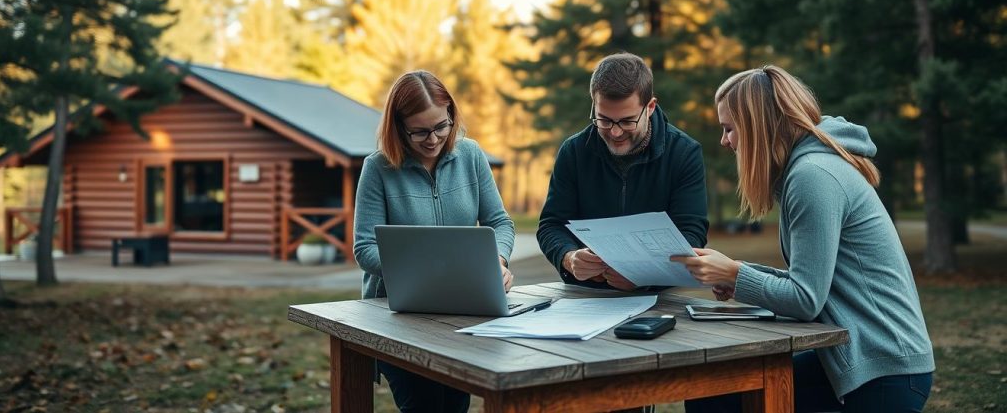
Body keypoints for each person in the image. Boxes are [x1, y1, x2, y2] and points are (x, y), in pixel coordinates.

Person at [673, 65, 934, 413]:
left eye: (729, 128)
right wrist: (734, 271)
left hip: (885, 371)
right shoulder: (805, 171)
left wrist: (735, 275)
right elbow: (811, 283)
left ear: (756, 126)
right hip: (855, 361)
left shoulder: (813, 177)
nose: (724, 141)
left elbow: (806, 299)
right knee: (714, 395)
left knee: (719, 398)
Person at [353, 70, 516, 413]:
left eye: (441, 126)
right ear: (398, 127)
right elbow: (364, 248)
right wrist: (421, 269)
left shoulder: (471, 156)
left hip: (464, 311)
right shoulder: (378, 168)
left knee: (455, 405)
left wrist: (496, 262)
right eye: (420, 131)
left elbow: (499, 222)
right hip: (396, 315)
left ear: (452, 116)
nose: (433, 139)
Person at [538, 52, 709, 291]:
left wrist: (645, 276)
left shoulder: (683, 153)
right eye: (604, 120)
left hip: (660, 298)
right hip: (585, 295)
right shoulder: (573, 152)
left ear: (650, 107)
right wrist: (568, 257)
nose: (615, 132)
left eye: (627, 121)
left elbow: (691, 234)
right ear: (594, 106)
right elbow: (551, 225)